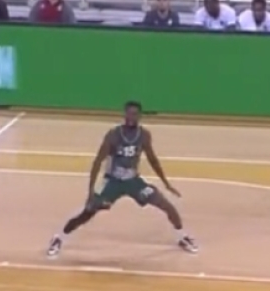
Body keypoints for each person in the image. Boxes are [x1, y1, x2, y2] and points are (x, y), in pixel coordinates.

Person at [46, 101, 198, 258]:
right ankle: (59, 238)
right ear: (124, 114)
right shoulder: (113, 135)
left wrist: (166, 183)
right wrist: (91, 191)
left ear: (140, 116)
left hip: (133, 181)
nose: (132, 117)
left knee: (166, 205)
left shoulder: (144, 135)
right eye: (129, 113)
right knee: (88, 212)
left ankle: (182, 237)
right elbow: (98, 161)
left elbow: (153, 159)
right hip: (113, 182)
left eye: (135, 114)